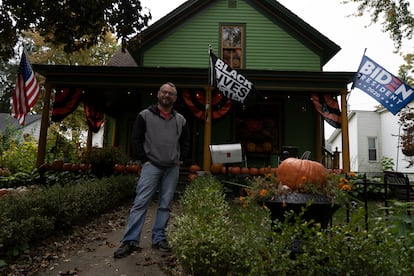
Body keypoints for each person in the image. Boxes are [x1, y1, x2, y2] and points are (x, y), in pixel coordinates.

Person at [114, 82, 190, 258]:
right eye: (164, 92)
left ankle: (159, 238)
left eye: (170, 94)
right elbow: (136, 139)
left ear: (175, 98)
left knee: (165, 205)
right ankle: (130, 241)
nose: (167, 95)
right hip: (151, 166)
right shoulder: (145, 116)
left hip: (172, 168)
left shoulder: (181, 120)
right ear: (158, 94)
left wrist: (181, 159)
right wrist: (145, 160)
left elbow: (185, 141)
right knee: (140, 203)